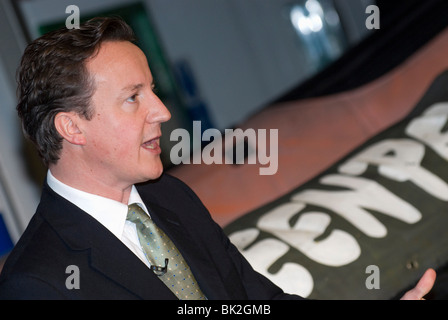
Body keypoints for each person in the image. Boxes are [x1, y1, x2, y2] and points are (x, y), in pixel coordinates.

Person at [0, 17, 436, 300]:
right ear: (72, 127)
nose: (162, 112)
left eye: (153, 89)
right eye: (133, 98)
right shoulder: (36, 284)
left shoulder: (171, 198)